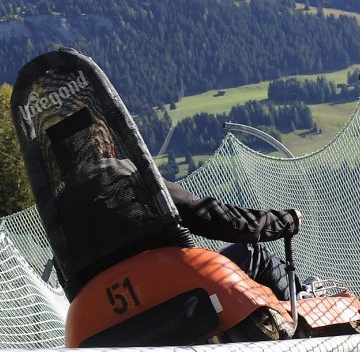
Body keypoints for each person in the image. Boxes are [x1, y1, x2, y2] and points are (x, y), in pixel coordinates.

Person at [48, 108, 303, 303]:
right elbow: (224, 221)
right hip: (179, 298)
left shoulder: (59, 220)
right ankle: (302, 314)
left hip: (114, 324)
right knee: (252, 254)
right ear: (108, 146)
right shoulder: (136, 181)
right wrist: (284, 221)